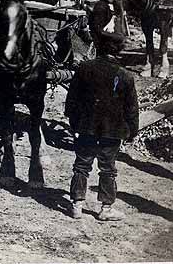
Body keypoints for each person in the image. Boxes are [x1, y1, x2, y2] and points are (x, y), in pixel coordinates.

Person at [65, 30, 139, 222]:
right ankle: (106, 208)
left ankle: (76, 205)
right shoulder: (125, 76)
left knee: (81, 165)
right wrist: (132, 131)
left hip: (86, 127)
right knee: (108, 168)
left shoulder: (84, 68)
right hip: (112, 131)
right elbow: (131, 108)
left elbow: (72, 100)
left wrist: (74, 123)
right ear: (119, 51)